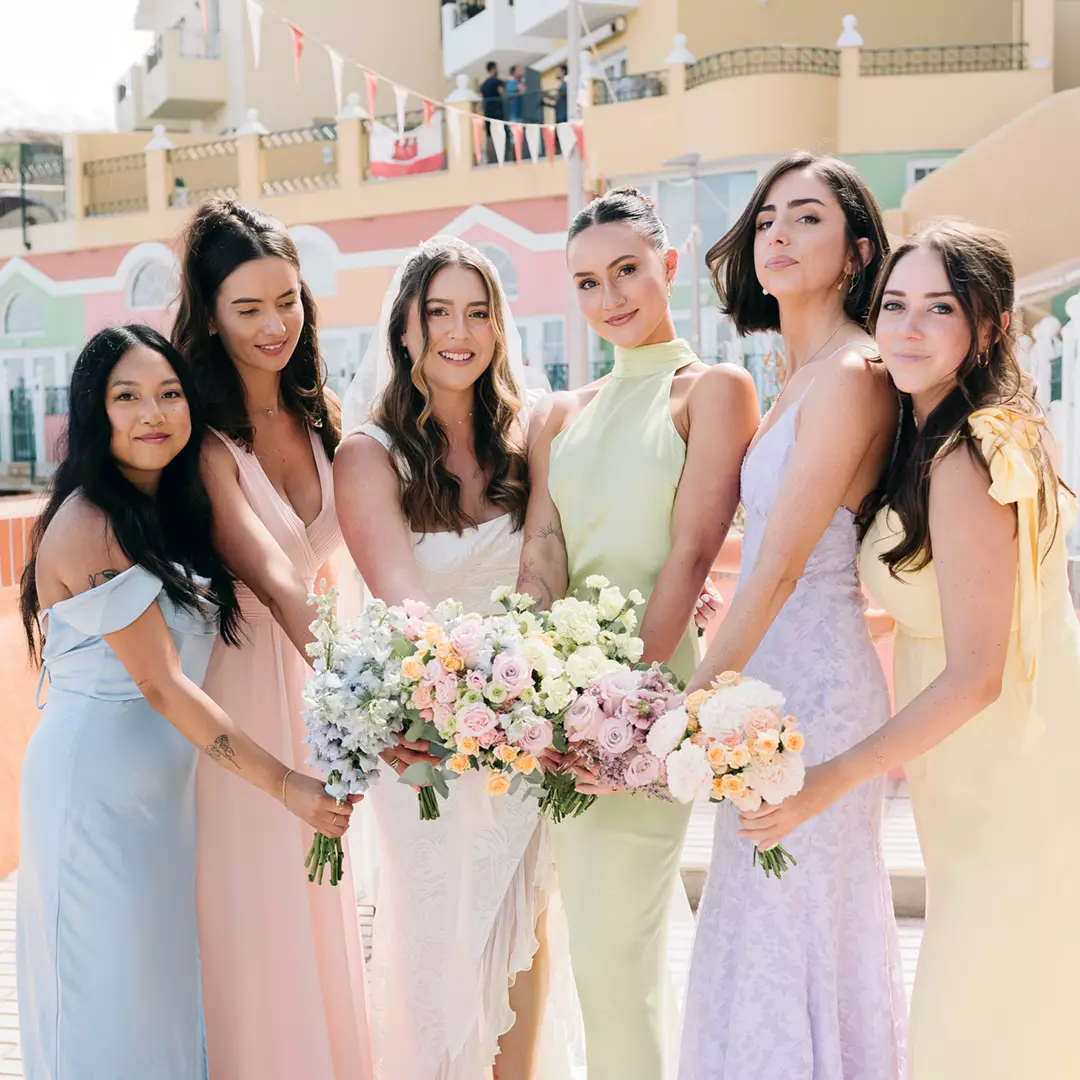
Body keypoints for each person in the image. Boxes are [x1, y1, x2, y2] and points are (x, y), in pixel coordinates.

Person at [740, 219, 1080, 1080]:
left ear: (991, 327)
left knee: (978, 1022)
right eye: (894, 306)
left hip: (1009, 773)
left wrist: (834, 778)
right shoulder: (930, 439)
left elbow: (977, 672)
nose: (907, 329)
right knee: (998, 1015)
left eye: (940, 309)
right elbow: (944, 605)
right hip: (967, 779)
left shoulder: (971, 456)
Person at [16, 325, 351, 1080]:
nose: (153, 412)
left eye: (169, 393)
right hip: (92, 794)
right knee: (103, 1005)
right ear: (94, 414)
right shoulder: (93, 522)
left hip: (161, 800)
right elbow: (163, 684)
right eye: (127, 397)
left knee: (159, 1000)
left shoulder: (169, 510)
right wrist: (288, 785)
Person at [518, 188, 759, 1079]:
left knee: (619, 956)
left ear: (666, 264)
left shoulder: (715, 391)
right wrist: (528, 692)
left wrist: (623, 711)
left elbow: (692, 554)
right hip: (559, 705)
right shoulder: (557, 416)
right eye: (587, 282)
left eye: (627, 270)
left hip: (646, 705)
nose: (612, 296)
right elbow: (543, 552)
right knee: (598, 957)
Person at [677, 151, 907, 1079]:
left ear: (856, 250)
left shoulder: (855, 371)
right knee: (761, 915)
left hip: (812, 682)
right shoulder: (794, 377)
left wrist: (680, 708)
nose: (777, 232)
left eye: (806, 217)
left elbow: (781, 570)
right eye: (767, 216)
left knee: (801, 916)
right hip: (764, 679)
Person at [335, 237, 559, 1080]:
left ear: (500, 329)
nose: (458, 332)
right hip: (427, 742)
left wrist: (533, 696)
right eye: (439, 313)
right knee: (440, 945)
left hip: (524, 732)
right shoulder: (370, 454)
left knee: (526, 931)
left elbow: (547, 567)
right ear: (405, 328)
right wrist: (476, 704)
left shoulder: (528, 435)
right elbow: (403, 606)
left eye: (478, 312)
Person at [172, 197, 372, 1080]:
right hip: (246, 690)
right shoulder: (200, 433)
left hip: (316, 693)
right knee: (254, 916)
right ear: (209, 316)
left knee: (319, 906)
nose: (273, 325)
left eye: (286, 301)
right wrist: (366, 688)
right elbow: (276, 576)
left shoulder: (323, 409)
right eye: (247, 308)